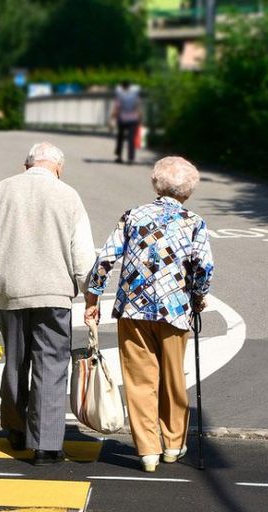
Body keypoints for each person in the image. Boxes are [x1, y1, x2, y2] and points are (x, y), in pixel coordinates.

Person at [0, 141, 96, 466]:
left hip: (10, 293)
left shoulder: (2, 190)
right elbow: (83, 256)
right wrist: (91, 296)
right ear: (58, 168)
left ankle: (16, 428)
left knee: (15, 362)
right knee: (51, 366)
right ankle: (47, 446)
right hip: (54, 296)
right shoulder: (68, 196)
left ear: (27, 165)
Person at [84, 156, 214, 472]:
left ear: (156, 183)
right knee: (172, 378)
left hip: (133, 308)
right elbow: (203, 267)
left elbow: (105, 258)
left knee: (140, 381)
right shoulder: (193, 222)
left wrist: (93, 297)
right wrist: (198, 297)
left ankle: (147, 452)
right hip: (175, 310)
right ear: (188, 191)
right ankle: (173, 444)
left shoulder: (133, 216)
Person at [112, 80, 141, 165]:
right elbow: (138, 107)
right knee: (131, 139)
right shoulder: (135, 94)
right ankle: (130, 158)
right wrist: (140, 118)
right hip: (133, 120)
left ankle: (119, 157)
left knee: (120, 138)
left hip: (122, 119)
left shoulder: (120, 94)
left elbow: (117, 107)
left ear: (122, 87)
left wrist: (112, 118)